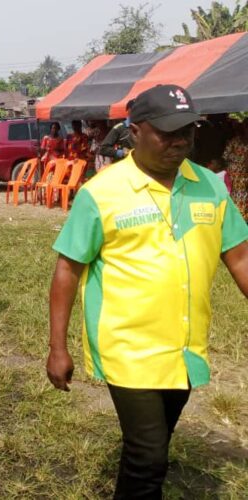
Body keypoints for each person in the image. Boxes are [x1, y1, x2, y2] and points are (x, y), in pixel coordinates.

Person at [46, 85, 248, 499]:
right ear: (134, 132)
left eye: (188, 131)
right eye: (168, 132)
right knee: (150, 455)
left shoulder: (210, 186)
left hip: (183, 346)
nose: (181, 142)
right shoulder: (101, 193)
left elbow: (241, 258)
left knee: (150, 447)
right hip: (127, 345)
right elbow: (68, 268)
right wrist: (57, 347)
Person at [223, 118, 248, 219]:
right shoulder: (236, 141)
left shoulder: (234, 141)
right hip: (238, 176)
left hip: (240, 175)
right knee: (239, 196)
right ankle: (239, 219)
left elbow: (226, 156)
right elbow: (225, 156)